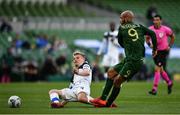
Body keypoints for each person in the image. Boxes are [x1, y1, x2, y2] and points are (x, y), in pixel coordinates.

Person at [90, 10, 157, 107]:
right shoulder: (140, 26)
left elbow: (120, 42)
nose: (120, 20)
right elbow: (153, 34)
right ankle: (102, 99)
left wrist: (127, 45)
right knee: (110, 72)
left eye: (121, 18)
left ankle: (108, 104)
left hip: (134, 61)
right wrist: (154, 49)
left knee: (117, 81)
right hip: (130, 59)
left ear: (126, 18)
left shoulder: (121, 28)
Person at [146, 14, 175, 95]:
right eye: (154, 20)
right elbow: (147, 38)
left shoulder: (166, 29)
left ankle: (154, 89)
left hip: (163, 51)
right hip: (155, 51)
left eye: (157, 20)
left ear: (160, 21)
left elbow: (172, 36)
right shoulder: (150, 29)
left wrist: (169, 46)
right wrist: (149, 45)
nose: (155, 21)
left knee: (157, 69)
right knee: (161, 70)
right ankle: (169, 83)